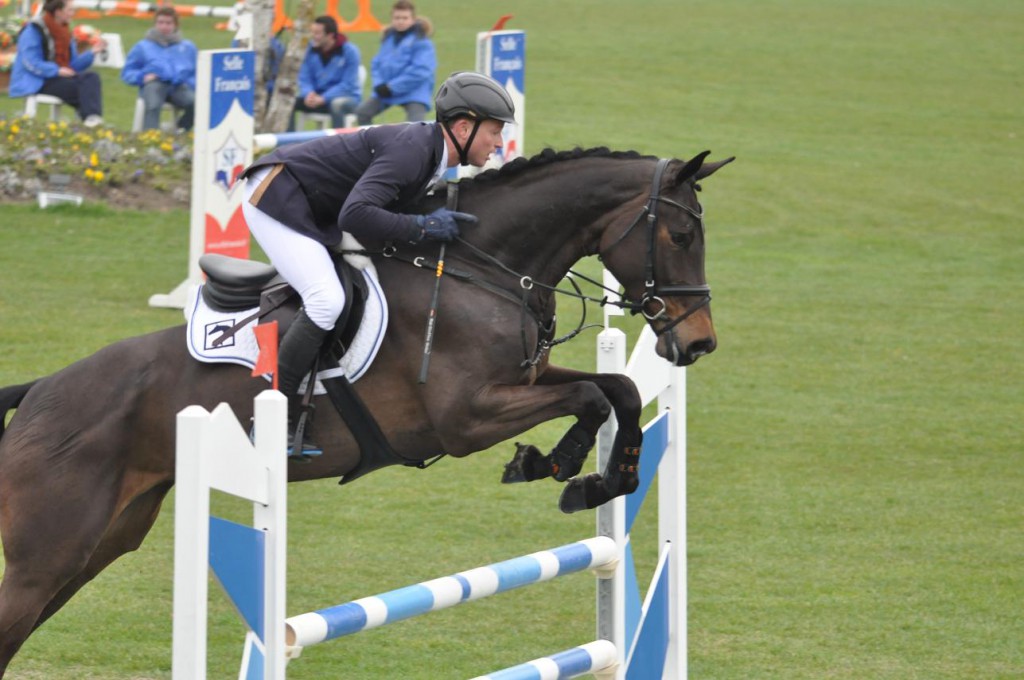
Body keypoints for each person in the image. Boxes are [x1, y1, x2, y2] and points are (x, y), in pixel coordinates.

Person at [240, 71, 515, 456]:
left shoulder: (432, 153)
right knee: (326, 300)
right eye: (494, 132)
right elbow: (356, 216)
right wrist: (422, 227)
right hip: (275, 194)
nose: (499, 143)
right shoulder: (413, 151)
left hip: (315, 201)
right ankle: (270, 420)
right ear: (464, 127)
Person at [9, 0, 106, 127]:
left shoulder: (65, 32)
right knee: (84, 92)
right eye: (70, 10)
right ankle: (91, 123)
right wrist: (56, 71)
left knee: (91, 78)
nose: (73, 13)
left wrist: (92, 52)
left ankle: (92, 120)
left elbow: (72, 66)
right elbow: (30, 62)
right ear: (58, 12)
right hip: (37, 80)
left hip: (58, 78)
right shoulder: (33, 29)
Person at [354, 0, 435, 126]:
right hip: (386, 90)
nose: (400, 21)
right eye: (397, 18)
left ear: (413, 19)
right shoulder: (388, 38)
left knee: (417, 128)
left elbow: (420, 71)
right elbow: (376, 64)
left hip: (414, 92)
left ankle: (414, 146)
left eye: (405, 18)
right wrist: (379, 84)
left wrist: (392, 87)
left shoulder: (422, 42)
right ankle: (369, 143)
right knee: (362, 113)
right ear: (392, 19)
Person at [120, 6, 196, 131]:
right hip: (154, 84)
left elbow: (197, 73)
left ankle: (181, 130)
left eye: (168, 23)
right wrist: (142, 77)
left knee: (196, 103)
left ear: (175, 25)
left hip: (179, 86)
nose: (164, 27)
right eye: (160, 23)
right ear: (155, 24)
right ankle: (151, 137)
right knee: (153, 104)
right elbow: (127, 72)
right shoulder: (143, 47)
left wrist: (189, 83)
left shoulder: (187, 47)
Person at [291, 15, 361, 130]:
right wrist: (308, 93)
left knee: (336, 104)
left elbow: (348, 84)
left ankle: (339, 145)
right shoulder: (309, 50)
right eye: (312, 32)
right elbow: (304, 76)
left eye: (317, 33)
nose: (313, 37)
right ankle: (288, 145)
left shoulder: (350, 52)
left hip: (346, 98)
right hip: (316, 98)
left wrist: (324, 98)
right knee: (289, 102)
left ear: (330, 35)